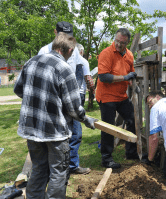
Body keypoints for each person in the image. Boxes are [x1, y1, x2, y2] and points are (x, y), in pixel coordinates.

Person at [14, 32, 96, 199]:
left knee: (38, 168)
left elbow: (18, 90)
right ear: (70, 50)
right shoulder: (64, 68)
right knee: (58, 172)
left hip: (32, 129)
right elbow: (73, 107)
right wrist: (86, 119)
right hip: (55, 133)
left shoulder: (31, 62)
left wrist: (36, 101)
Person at [38, 21, 91, 175]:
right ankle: (56, 169)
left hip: (69, 97)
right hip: (52, 102)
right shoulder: (44, 51)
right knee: (55, 137)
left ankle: (72, 166)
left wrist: (87, 75)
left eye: (70, 36)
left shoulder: (73, 49)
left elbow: (82, 62)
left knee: (76, 134)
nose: (67, 38)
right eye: (64, 35)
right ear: (55, 33)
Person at [96, 28, 138, 169]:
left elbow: (131, 72)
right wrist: (124, 78)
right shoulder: (106, 53)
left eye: (122, 43)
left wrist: (132, 82)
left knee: (132, 120)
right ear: (115, 39)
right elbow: (103, 77)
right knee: (109, 127)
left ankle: (131, 153)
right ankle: (106, 158)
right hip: (106, 96)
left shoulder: (129, 55)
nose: (119, 45)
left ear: (127, 42)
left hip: (121, 96)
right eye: (117, 41)